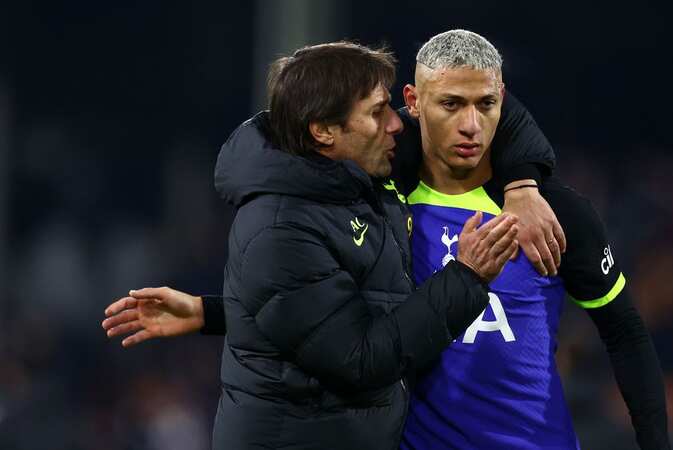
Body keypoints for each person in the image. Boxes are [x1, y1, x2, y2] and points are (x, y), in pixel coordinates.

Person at [104, 39, 566, 450]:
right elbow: (360, 358)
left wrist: (522, 186)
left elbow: (493, 103)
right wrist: (467, 276)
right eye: (377, 112)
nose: (396, 125)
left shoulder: (349, 180)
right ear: (324, 131)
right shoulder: (280, 227)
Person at [395, 30, 670, 449]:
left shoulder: (555, 212)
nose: (470, 126)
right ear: (413, 102)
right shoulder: (382, 205)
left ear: (502, 99)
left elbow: (624, 331)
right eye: (451, 104)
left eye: (485, 104)